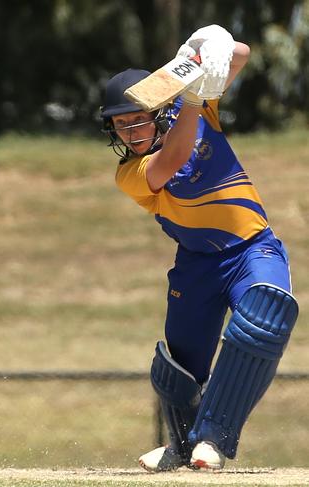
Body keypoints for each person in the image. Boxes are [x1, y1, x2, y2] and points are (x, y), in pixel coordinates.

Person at [100, 25, 299, 472]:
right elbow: (172, 159)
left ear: (158, 109)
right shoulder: (131, 173)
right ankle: (181, 445)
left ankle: (213, 437)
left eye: (137, 119)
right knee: (180, 365)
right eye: (120, 125)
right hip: (198, 265)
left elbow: (242, 54)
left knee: (266, 314)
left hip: (252, 248)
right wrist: (191, 95)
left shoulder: (199, 108)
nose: (130, 133)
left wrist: (202, 51)